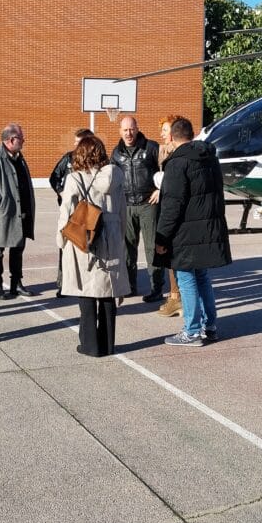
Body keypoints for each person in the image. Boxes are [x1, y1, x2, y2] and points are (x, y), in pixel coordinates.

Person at [154, 117, 232, 347]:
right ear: (192, 134)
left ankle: (192, 331)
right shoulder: (209, 158)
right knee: (202, 277)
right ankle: (210, 325)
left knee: (186, 278)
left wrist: (162, 236)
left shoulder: (178, 163)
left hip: (186, 231)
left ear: (173, 137)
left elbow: (172, 204)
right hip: (206, 227)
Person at [57, 135, 129, 356]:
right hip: (112, 235)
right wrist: (121, 236)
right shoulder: (116, 175)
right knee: (108, 292)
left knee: (87, 293)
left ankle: (89, 345)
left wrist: (61, 240)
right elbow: (123, 210)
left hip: (85, 237)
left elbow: (66, 212)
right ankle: (107, 344)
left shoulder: (74, 178)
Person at [110, 115, 165, 302]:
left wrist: (160, 189)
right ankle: (129, 286)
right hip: (126, 206)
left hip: (148, 204)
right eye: (125, 130)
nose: (129, 133)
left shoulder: (151, 148)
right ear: (120, 131)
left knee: (152, 248)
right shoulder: (116, 153)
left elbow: (167, 169)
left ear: (137, 128)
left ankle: (156, 288)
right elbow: (112, 180)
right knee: (127, 249)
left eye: (131, 129)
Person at [0, 122, 36, 300]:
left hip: (21, 212)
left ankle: (16, 284)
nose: (24, 141)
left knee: (18, 249)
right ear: (11, 139)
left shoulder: (19, 157)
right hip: (3, 215)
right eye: (22, 138)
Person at [49, 127, 93, 297]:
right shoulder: (68, 158)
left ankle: (87, 281)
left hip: (88, 211)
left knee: (88, 245)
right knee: (65, 246)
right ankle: (63, 284)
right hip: (69, 211)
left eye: (78, 142)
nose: (75, 144)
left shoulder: (97, 161)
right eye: (74, 142)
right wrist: (61, 191)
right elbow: (54, 177)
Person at [155, 114, 184, 319]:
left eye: (165, 130)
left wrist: (162, 189)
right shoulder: (166, 154)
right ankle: (176, 297)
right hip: (168, 208)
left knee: (174, 258)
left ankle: (176, 299)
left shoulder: (179, 157)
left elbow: (175, 187)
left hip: (176, 215)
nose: (162, 134)